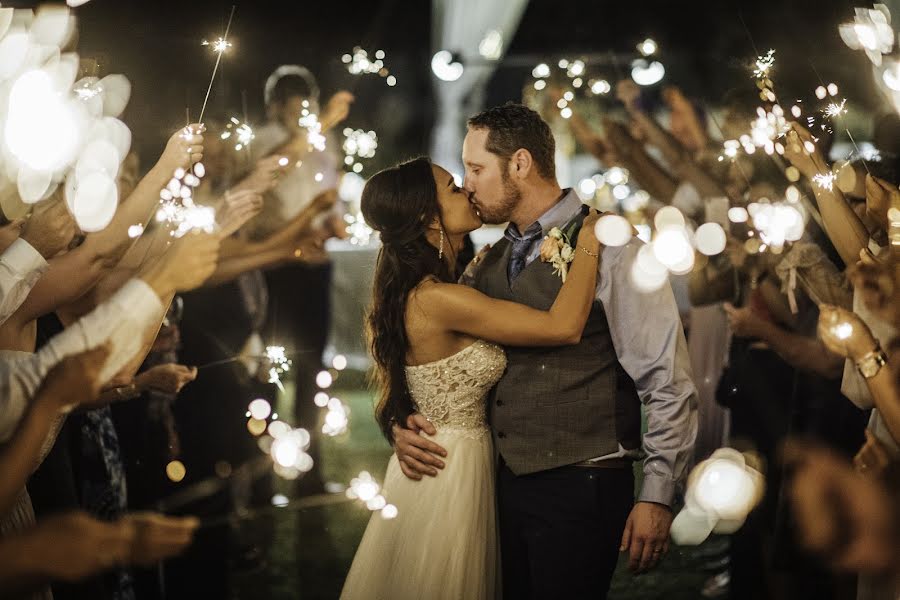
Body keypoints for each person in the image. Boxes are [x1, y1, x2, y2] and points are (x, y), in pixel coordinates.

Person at [390, 104, 698, 599]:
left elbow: (666, 379)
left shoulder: (617, 248)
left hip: (582, 483)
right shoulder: (485, 262)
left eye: (475, 169)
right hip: (495, 486)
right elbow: (428, 358)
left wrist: (658, 496)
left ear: (519, 164)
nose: (467, 185)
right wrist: (402, 423)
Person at [340, 156, 602, 600]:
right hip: (450, 469)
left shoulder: (435, 286)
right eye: (453, 187)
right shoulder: (438, 298)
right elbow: (562, 327)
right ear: (428, 215)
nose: (467, 190)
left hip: (455, 460)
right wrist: (592, 239)